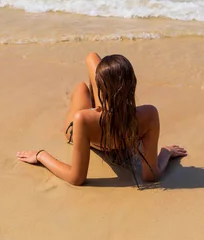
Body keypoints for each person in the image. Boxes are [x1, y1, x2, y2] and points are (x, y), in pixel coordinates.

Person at [17, 52, 187, 186]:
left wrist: (41, 155)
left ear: (102, 91)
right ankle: (105, 99)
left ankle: (98, 100)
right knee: (92, 57)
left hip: (89, 129)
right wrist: (166, 152)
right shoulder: (149, 114)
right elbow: (151, 175)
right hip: (115, 127)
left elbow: (76, 178)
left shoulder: (82, 118)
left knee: (81, 89)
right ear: (133, 84)